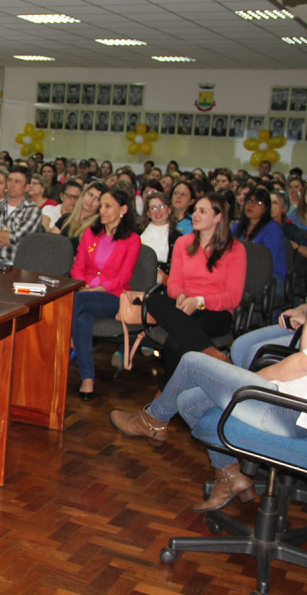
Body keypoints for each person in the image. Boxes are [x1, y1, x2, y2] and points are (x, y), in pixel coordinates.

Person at [110, 348, 307, 511]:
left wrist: (245, 380)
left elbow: (301, 364)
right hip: (289, 406)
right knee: (188, 402)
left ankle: (153, 420)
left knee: (191, 361)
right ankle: (229, 478)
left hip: (289, 410)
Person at [145, 193, 246, 390]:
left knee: (176, 342)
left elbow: (233, 298)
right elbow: (173, 283)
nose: (196, 215)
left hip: (216, 312)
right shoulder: (184, 243)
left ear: (218, 217)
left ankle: (164, 392)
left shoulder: (235, 249)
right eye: (195, 211)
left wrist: (198, 302)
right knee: (153, 299)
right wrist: (181, 296)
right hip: (183, 306)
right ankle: (214, 354)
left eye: (203, 211)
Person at [71, 187, 141, 401]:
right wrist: (83, 284)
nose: (101, 210)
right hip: (86, 294)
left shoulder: (132, 239)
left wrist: (99, 288)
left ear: (123, 209)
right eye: (101, 205)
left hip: (114, 297)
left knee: (77, 300)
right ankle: (87, 378)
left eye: (108, 206)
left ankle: (68, 339)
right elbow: (77, 268)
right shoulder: (89, 234)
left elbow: (123, 276)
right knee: (81, 318)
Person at [0, 166, 43, 265]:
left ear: (27, 187)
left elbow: (18, 239)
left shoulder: (33, 210)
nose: (12, 185)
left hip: (18, 266)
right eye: (10, 180)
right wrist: (7, 238)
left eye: (17, 182)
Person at [232, 187, 287, 297]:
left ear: (266, 208)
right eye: (249, 201)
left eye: (258, 202)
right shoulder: (238, 227)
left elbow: (269, 261)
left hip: (271, 278)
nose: (251, 205)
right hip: (240, 274)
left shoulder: (272, 228)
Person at [140, 190, 180, 282]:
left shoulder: (177, 237)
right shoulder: (137, 232)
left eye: (161, 206)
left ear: (169, 209)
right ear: (148, 213)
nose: (158, 211)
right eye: (153, 208)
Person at [55, 181, 103, 251]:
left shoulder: (97, 228)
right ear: (83, 195)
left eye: (97, 199)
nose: (91, 200)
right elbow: (51, 242)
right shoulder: (66, 218)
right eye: (90, 195)